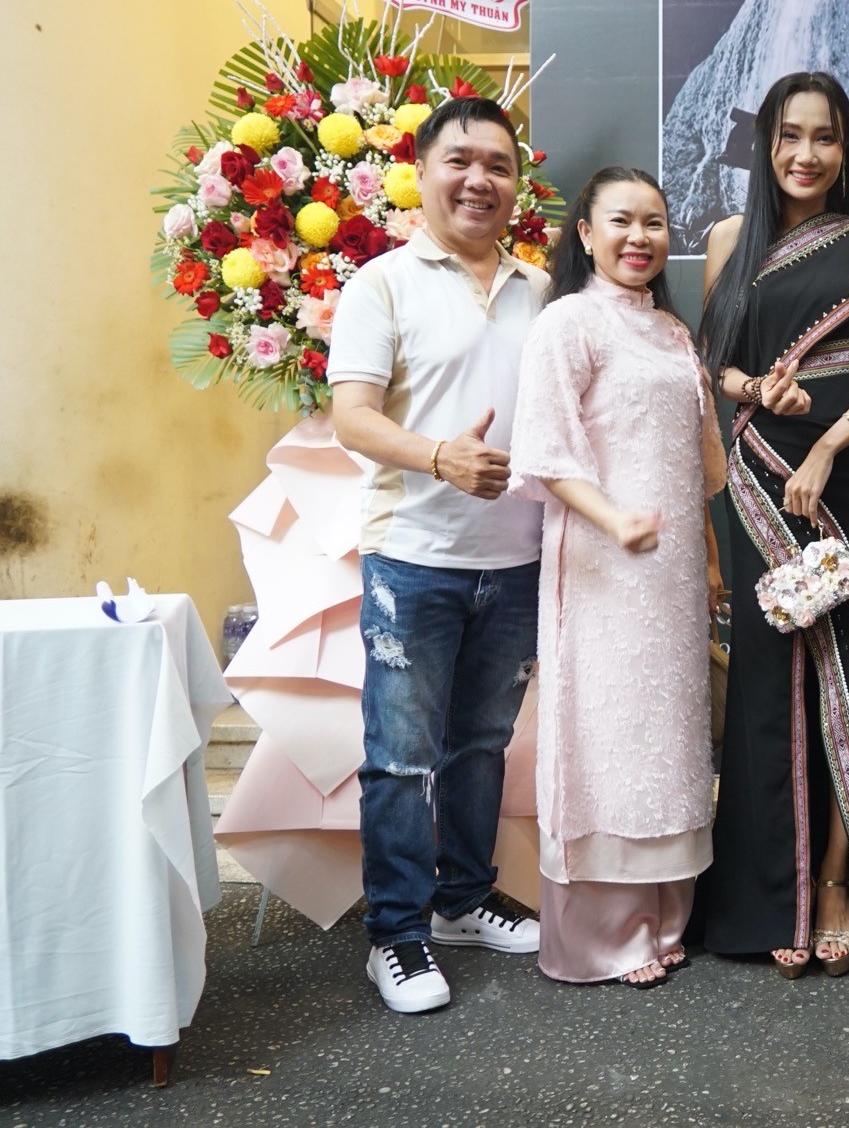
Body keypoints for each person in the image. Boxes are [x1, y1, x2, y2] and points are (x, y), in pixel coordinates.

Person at [694, 72, 849, 978]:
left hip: (848, 479)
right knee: (768, 685)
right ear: (766, 143)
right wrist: (758, 386)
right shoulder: (730, 239)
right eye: (790, 135)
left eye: (824, 137)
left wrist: (830, 441)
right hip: (758, 478)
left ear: (846, 148)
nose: (806, 154)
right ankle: (770, 896)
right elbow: (717, 366)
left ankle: (837, 884)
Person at [328, 96, 546, 1014]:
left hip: (519, 558)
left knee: (482, 746)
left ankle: (461, 900)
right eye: (460, 161)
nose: (479, 180)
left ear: (516, 183)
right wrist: (439, 457)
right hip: (414, 558)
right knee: (402, 758)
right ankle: (396, 933)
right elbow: (352, 416)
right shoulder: (381, 284)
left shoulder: (541, 290)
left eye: (498, 165)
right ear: (420, 172)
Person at [507, 167, 726, 989]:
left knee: (669, 737)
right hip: (602, 568)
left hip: (672, 574)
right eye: (622, 221)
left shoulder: (673, 332)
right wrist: (616, 521)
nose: (640, 238)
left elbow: (698, 465)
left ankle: (663, 920)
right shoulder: (568, 322)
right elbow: (545, 452)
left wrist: (707, 558)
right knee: (608, 731)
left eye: (655, 222)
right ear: (586, 234)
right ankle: (605, 933)